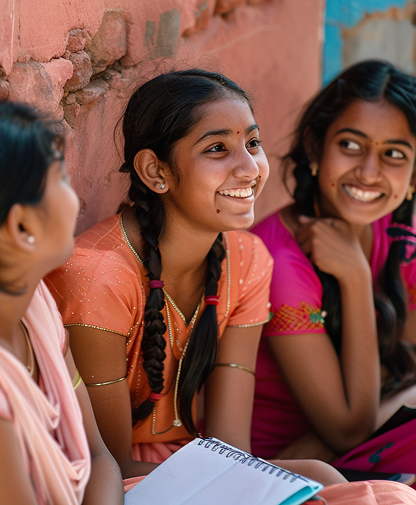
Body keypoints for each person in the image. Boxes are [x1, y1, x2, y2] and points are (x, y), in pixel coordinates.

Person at [46, 69, 349, 491]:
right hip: (119, 481)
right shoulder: (98, 277)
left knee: (326, 478)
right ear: (156, 171)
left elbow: (231, 447)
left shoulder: (247, 259)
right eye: (218, 149)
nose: (249, 168)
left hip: (199, 465)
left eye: (253, 143)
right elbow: (109, 467)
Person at [250, 60, 416, 475]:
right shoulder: (280, 260)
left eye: (394, 154)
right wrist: (356, 277)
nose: (369, 172)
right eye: (351, 145)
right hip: (283, 468)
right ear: (313, 147)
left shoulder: (394, 232)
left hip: (356, 438)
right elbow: (348, 430)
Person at [0, 102, 124, 504]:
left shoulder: (34, 307)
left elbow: (99, 456)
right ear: (22, 227)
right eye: (63, 179)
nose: (75, 200)